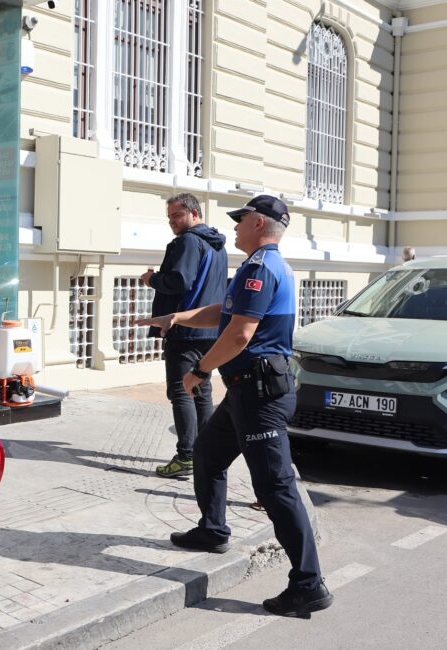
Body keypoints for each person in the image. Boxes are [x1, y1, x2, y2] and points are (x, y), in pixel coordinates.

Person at [136, 195, 332, 618]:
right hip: (246, 391)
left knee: (276, 488)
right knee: (208, 453)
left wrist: (201, 371)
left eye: (241, 221)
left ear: (259, 224)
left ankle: (308, 583)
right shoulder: (256, 266)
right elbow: (224, 312)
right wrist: (179, 318)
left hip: (259, 395)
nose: (236, 228)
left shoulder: (261, 268)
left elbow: (240, 334)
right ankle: (212, 530)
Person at [141, 193, 229, 478]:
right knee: (201, 391)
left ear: (194, 213)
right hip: (210, 329)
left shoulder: (189, 241)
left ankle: (187, 457)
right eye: (169, 217)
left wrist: (152, 279)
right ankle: (206, 451)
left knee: (181, 391)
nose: (172, 223)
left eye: (177, 216)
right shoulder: (216, 244)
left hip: (186, 329)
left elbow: (180, 280)